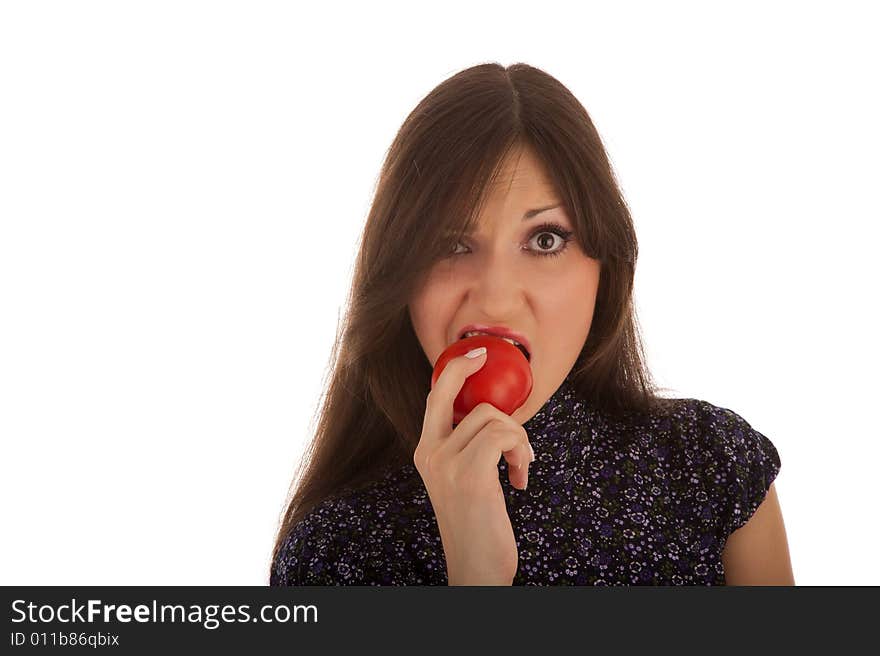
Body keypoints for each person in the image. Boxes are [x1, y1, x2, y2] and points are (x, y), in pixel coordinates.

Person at [269, 63, 795, 586]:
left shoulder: (711, 469)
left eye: (545, 240)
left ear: (604, 267)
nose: (496, 298)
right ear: (400, 277)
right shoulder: (330, 554)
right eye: (452, 245)